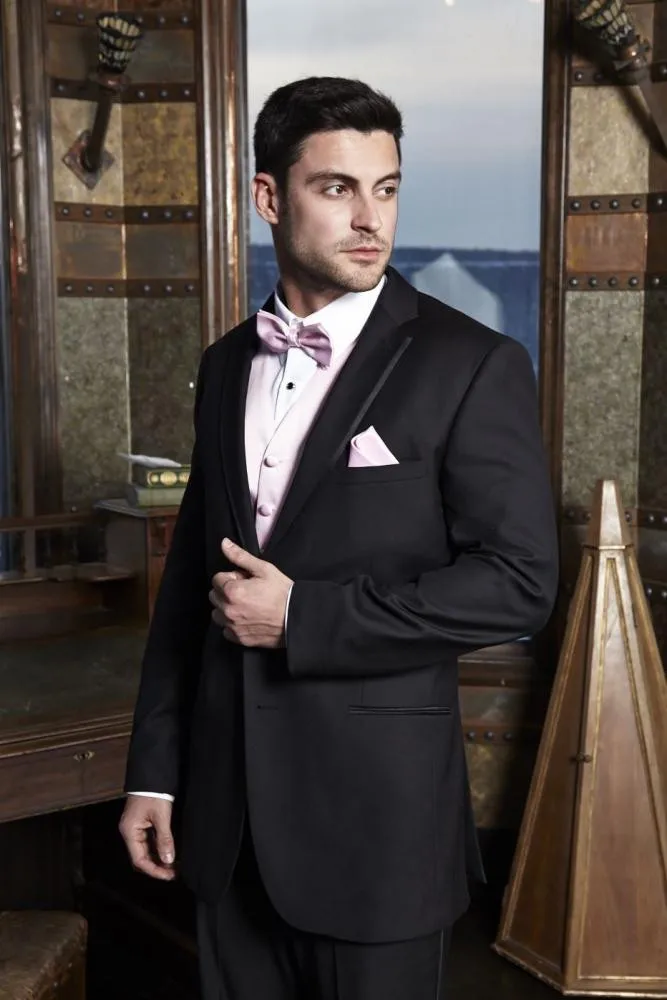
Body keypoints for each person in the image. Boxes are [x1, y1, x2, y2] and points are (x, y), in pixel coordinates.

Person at [119, 76, 559, 1000]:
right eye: (337, 188)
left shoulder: (472, 363)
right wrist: (155, 775)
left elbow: (518, 583)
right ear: (268, 197)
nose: (371, 219)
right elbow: (188, 590)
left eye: (386, 189)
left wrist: (303, 618)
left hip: (377, 831)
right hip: (224, 824)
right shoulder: (225, 363)